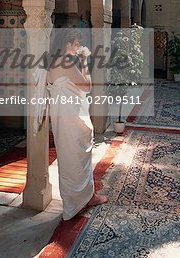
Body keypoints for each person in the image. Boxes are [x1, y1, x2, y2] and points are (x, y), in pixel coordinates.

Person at [46, 28, 108, 220]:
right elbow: (87, 87)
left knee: (68, 159)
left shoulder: (50, 62)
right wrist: (83, 62)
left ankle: (77, 201)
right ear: (66, 44)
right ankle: (85, 199)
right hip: (71, 118)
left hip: (59, 117)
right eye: (76, 43)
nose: (79, 46)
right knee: (79, 156)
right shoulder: (66, 63)